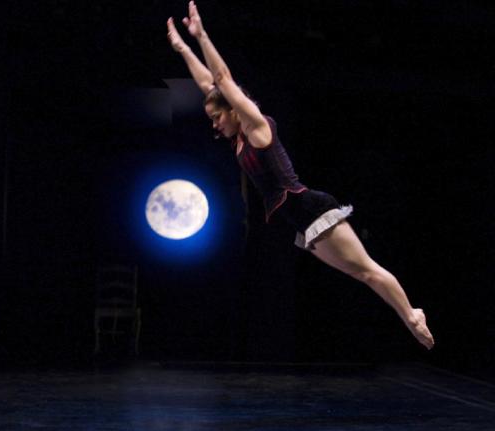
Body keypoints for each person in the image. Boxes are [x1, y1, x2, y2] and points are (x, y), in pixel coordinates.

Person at [166, 2, 434, 350]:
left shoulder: (256, 126)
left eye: (217, 118)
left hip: (311, 210)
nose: (215, 125)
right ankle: (410, 313)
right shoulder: (237, 135)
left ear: (235, 109)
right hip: (301, 223)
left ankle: (413, 315)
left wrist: (201, 36)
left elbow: (221, 80)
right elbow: (210, 85)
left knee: (367, 270)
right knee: (360, 274)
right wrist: (183, 49)